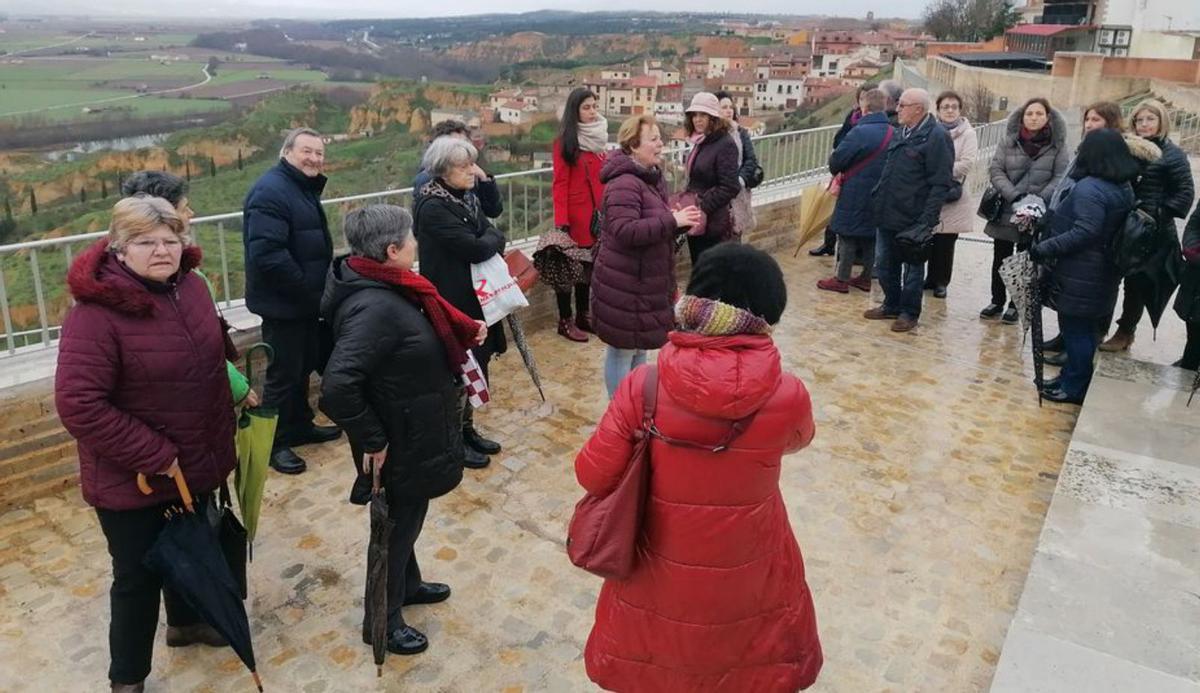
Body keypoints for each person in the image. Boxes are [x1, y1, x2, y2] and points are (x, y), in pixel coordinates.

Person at [577, 243, 822, 692]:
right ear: (768, 311)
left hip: (657, 557)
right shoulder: (788, 394)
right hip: (753, 557)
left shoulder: (643, 385)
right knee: (747, 659)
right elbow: (798, 441)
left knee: (659, 657)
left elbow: (592, 475)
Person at [55, 196, 239, 693]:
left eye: (170, 240)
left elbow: (213, 350)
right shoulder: (95, 314)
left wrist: (234, 393)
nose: (162, 251)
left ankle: (185, 625)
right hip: (132, 476)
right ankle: (127, 680)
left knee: (190, 548)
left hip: (196, 460)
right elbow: (79, 404)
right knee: (137, 579)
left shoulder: (193, 287)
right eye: (145, 242)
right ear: (119, 249)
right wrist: (155, 454)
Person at [320, 205, 486, 657]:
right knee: (393, 532)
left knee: (405, 521)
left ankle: (407, 587)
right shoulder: (375, 307)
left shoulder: (393, 287)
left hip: (411, 428)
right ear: (393, 251)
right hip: (398, 440)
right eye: (411, 238)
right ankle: (383, 622)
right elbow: (336, 389)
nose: (417, 243)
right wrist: (374, 440)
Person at [242, 127, 341, 475]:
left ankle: (300, 424)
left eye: (319, 153)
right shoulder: (271, 192)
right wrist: (307, 291)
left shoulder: (297, 187)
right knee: (283, 374)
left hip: (303, 302)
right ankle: (275, 443)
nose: (314, 158)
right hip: (284, 304)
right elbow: (267, 255)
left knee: (301, 366)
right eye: (307, 151)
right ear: (287, 153)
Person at [120, 170, 257, 407]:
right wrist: (236, 385)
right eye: (185, 208)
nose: (191, 214)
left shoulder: (186, 275)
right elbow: (195, 346)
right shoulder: (164, 283)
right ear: (163, 213)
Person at [592, 115, 702, 398]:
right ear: (633, 146)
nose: (660, 144)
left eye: (659, 138)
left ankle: (635, 405)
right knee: (622, 350)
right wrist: (671, 222)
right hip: (626, 283)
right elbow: (625, 230)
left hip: (643, 281)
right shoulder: (624, 184)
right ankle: (620, 411)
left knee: (639, 347)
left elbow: (653, 224)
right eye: (653, 139)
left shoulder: (650, 178)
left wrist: (678, 224)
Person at [414, 135, 507, 470]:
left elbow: (490, 234)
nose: (473, 171)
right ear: (443, 170)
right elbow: (478, 245)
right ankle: (452, 441)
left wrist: (489, 237)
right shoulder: (433, 206)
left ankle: (468, 430)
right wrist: (490, 238)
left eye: (471, 163)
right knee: (458, 371)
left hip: (473, 296)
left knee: (477, 365)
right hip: (452, 299)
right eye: (464, 166)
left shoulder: (464, 198)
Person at [1029, 128, 1138, 404]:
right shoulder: (1122, 186)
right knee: (1083, 329)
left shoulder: (1091, 188)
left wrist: (1045, 248)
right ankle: (1070, 377)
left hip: (1082, 272)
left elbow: (1085, 231)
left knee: (1076, 330)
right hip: (1099, 271)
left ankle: (1074, 386)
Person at [1100, 99, 1195, 353]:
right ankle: (1099, 326)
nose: (1144, 124)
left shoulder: (1172, 155)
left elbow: (1185, 194)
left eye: (1150, 119)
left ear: (1161, 121)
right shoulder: (1127, 148)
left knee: (1136, 284)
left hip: (1150, 231)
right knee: (1108, 277)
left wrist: (1156, 214)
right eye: (1140, 120)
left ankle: (1125, 331)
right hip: (1121, 223)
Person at [865, 88, 954, 333]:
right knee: (884, 264)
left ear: (918, 109)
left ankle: (909, 313)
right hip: (887, 212)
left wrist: (927, 220)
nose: (897, 108)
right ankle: (891, 304)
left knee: (913, 270)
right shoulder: (899, 131)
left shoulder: (936, 137)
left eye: (903, 105)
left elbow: (940, 182)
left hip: (914, 217)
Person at [981, 98, 1070, 325]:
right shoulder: (1008, 141)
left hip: (1036, 211)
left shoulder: (1057, 146)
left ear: (1048, 118)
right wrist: (1016, 196)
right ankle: (996, 299)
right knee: (1000, 257)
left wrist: (1037, 200)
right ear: (1022, 117)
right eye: (1029, 114)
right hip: (1008, 208)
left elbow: (1060, 176)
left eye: (1039, 114)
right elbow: (996, 169)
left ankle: (1015, 303)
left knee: (1026, 259)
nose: (1033, 118)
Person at [817, 88, 892, 294]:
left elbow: (836, 162)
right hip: (880, 193)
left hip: (855, 191)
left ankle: (841, 278)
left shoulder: (859, 131)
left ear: (864, 108)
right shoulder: (892, 132)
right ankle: (866, 278)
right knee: (870, 235)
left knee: (847, 234)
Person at [550, 88, 608, 342]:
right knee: (567, 269)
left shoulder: (598, 138)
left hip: (595, 216)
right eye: (586, 107)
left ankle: (584, 314)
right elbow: (559, 183)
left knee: (588, 267)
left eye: (594, 106)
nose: (592, 112)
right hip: (574, 218)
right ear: (575, 111)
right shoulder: (565, 141)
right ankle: (565, 320)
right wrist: (561, 221)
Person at [924, 90, 979, 299]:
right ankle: (929, 278)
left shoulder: (968, 133)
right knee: (930, 237)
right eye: (945, 107)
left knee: (946, 241)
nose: (949, 110)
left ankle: (941, 281)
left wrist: (939, 170)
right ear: (938, 110)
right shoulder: (932, 131)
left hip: (952, 192)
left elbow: (966, 164)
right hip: (931, 192)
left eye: (954, 107)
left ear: (960, 110)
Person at [681, 92, 741, 264]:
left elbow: (730, 186)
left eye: (703, 115)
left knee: (711, 274)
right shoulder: (702, 141)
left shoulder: (725, 144)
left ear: (713, 117)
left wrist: (703, 206)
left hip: (713, 223)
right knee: (700, 269)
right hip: (698, 218)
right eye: (694, 115)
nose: (697, 119)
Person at [811, 85, 871, 257]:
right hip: (842, 169)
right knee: (832, 208)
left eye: (866, 98)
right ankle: (828, 244)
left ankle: (849, 256)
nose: (863, 102)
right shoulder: (852, 117)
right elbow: (839, 139)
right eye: (861, 98)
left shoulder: (870, 123)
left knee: (846, 214)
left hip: (856, 172)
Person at [412, 119, 503, 219]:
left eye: (465, 143)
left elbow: (494, 211)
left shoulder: (469, 173)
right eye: (456, 145)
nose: (463, 148)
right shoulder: (427, 179)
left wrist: (484, 179)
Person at [715, 90, 759, 239]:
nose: (728, 111)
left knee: (735, 234)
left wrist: (739, 179)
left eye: (730, 107)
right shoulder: (711, 135)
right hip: (718, 194)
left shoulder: (741, 132)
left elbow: (751, 160)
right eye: (724, 107)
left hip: (737, 193)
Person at [1173, 199, 1200, 371]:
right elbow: (1194, 225)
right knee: (1194, 328)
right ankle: (1189, 363)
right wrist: (1193, 248)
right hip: (1196, 274)